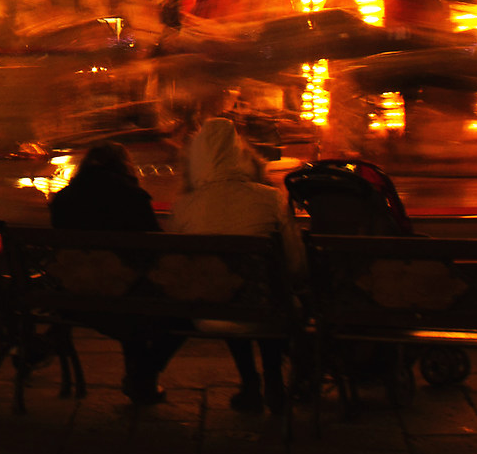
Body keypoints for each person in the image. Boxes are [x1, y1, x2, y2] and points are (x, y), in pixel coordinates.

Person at [167, 116, 303, 413]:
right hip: (266, 310)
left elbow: (175, 262)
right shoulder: (270, 198)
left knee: (225, 286)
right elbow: (295, 261)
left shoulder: (185, 206)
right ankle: (275, 384)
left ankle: (250, 384)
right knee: (264, 292)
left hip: (209, 311)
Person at [51, 143, 185, 404]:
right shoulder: (133, 196)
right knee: (182, 313)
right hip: (123, 294)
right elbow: (154, 249)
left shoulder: (63, 198)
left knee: (128, 295)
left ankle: (141, 379)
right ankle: (144, 376)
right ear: (124, 166)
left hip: (75, 293)